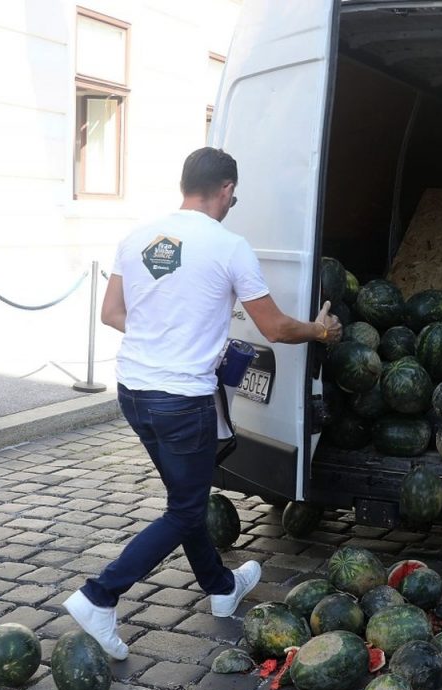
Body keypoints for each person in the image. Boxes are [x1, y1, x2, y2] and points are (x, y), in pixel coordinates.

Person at [63, 147, 342, 659]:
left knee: (184, 500)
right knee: (185, 509)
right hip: (181, 401)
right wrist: (321, 331)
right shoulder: (229, 246)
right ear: (227, 189)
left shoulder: (138, 236)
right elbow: (276, 328)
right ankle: (99, 595)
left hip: (134, 393)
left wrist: (167, 337)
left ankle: (219, 588)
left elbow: (112, 312)